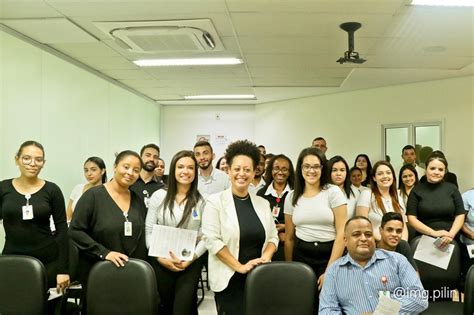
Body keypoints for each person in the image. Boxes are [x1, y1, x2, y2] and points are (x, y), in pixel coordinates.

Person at [202, 140, 278, 315]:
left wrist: (266, 258)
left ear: (254, 173)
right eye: (237, 169)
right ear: (228, 171)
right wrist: (240, 267)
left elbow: (273, 237)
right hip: (229, 278)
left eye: (247, 169)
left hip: (258, 277)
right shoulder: (215, 202)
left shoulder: (263, 203)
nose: (241, 174)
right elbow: (212, 241)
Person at [69, 150, 148, 310]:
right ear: (114, 167)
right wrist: (104, 253)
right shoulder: (93, 196)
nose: (130, 173)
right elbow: (75, 231)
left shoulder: (137, 200)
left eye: (136, 170)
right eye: (126, 167)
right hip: (99, 272)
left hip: (130, 273)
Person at [319, 216, 428, 314]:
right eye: (356, 234)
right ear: (346, 241)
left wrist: (382, 313)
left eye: (368, 234)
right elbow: (326, 310)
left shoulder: (397, 260)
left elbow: (420, 298)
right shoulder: (334, 271)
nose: (363, 238)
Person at [0, 140, 69, 292]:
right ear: (17, 159)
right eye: (26, 158)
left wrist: (63, 270)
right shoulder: (3, 188)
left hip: (48, 262)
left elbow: (62, 230)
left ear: (43, 163)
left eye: (38, 160)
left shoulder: (52, 190)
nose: (33, 163)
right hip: (12, 259)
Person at [284, 147, 347, 310]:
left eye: (316, 166)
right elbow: (289, 238)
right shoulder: (291, 196)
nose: (311, 171)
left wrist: (330, 271)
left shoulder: (333, 192)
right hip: (301, 255)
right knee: (303, 305)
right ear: (300, 168)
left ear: (322, 168)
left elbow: (342, 233)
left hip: (330, 255)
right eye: (306, 166)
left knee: (328, 306)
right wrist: (290, 267)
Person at [146, 150, 205, 315]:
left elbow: (207, 236)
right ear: (173, 170)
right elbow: (149, 230)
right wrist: (159, 257)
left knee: (183, 307)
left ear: (195, 172)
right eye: (180, 167)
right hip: (162, 261)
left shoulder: (201, 201)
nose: (185, 171)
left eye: (190, 168)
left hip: (190, 262)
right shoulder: (159, 196)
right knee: (164, 307)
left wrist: (191, 258)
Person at [407, 153, 466, 249]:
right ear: (426, 170)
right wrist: (433, 233)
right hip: (424, 238)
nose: (436, 172)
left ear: (445, 171)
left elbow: (460, 215)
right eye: (432, 168)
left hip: (451, 238)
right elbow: (411, 218)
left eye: (440, 169)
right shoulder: (416, 191)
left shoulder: (452, 189)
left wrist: (450, 234)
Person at [356, 160, 408, 241]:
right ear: (374, 178)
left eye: (388, 173)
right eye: (380, 174)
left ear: (393, 176)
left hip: (397, 246)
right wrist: (384, 243)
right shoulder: (366, 195)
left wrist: (403, 244)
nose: (385, 176)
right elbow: (362, 225)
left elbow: (403, 228)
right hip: (375, 244)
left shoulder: (398, 197)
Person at [257, 154, 295, 261]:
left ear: (289, 172)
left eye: (284, 169)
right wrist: (277, 233)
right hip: (267, 246)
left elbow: (303, 220)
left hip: (292, 244)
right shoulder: (261, 194)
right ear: (270, 170)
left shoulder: (296, 193)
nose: (280, 172)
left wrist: (286, 227)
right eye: (276, 168)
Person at [66, 156, 107, 223]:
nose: (89, 174)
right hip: (74, 229)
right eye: (86, 170)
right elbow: (68, 216)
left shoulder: (108, 191)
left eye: (93, 170)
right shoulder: (78, 188)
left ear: (102, 171)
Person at [130, 144, 164, 210]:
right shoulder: (130, 182)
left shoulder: (162, 188)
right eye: (148, 155)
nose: (151, 159)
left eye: (155, 157)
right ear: (140, 157)